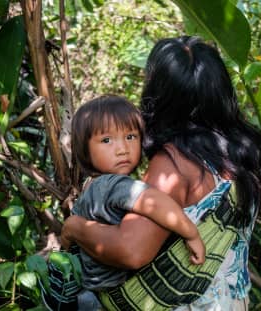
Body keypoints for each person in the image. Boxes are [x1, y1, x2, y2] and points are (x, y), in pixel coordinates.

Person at [62, 36, 261, 310]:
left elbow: (131, 251)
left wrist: (75, 227)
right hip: (234, 301)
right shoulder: (243, 152)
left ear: (158, 94)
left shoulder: (174, 163)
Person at [46, 95, 205, 310]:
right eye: (107, 140)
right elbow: (155, 203)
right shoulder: (112, 185)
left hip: (90, 295)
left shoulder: (91, 186)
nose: (122, 149)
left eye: (130, 136)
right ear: (84, 149)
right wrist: (191, 233)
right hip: (108, 299)